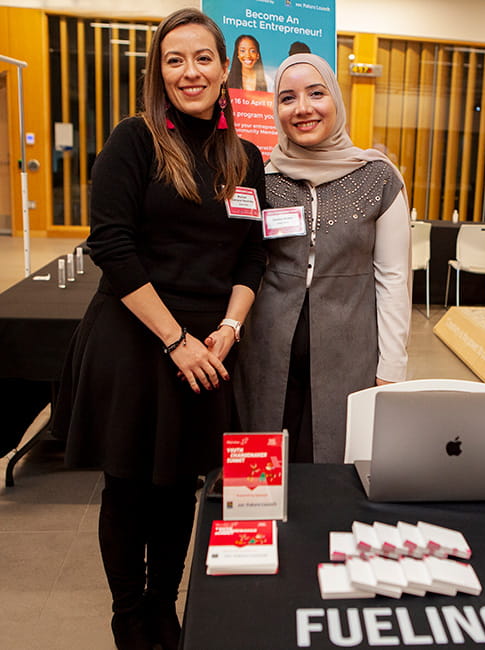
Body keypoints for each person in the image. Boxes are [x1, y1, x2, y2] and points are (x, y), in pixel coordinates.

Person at [55, 8, 266, 649]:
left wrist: (227, 331)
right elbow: (112, 246)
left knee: (180, 483)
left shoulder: (245, 157)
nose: (189, 71)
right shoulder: (135, 140)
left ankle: (161, 608)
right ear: (158, 72)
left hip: (207, 347)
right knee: (127, 483)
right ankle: (129, 619)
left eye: (202, 57)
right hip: (137, 338)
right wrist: (175, 340)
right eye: (174, 60)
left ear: (224, 66)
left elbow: (252, 255)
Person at [235, 53, 410, 463]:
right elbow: (242, 262)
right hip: (266, 352)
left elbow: (393, 279)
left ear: (335, 98)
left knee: (334, 466)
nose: (303, 109)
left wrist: (392, 368)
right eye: (288, 98)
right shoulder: (261, 176)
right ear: (276, 109)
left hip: (349, 352)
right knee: (260, 470)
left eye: (316, 94)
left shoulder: (378, 177)